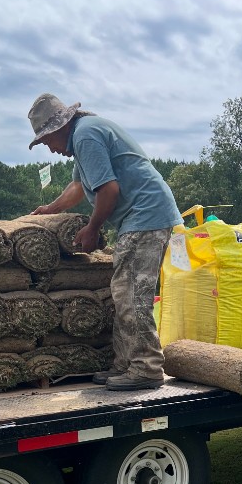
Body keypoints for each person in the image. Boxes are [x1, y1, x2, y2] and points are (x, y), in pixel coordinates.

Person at [27, 93, 181, 391]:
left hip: (145, 216)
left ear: (59, 127)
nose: (49, 147)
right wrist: (51, 210)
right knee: (122, 291)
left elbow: (108, 190)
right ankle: (126, 364)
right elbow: (78, 186)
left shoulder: (85, 136)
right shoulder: (84, 134)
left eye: (47, 140)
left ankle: (146, 367)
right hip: (142, 216)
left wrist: (92, 228)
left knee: (132, 295)